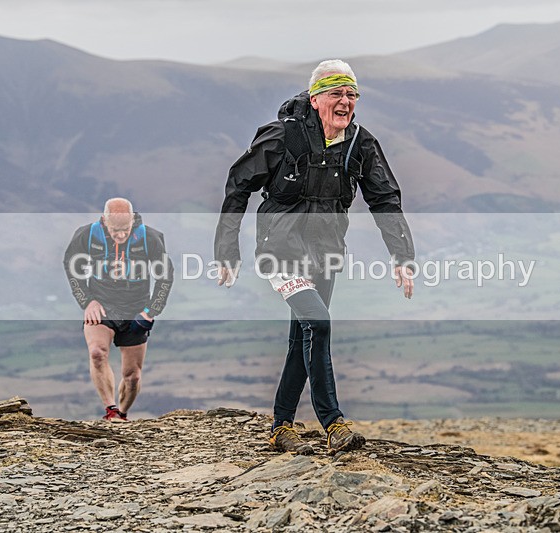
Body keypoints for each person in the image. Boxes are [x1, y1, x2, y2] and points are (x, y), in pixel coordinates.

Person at [214, 60, 415, 454]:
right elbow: (238, 186)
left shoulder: (361, 144)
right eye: (337, 93)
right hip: (280, 251)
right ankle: (333, 422)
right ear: (315, 98)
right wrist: (226, 249)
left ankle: (280, 428)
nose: (345, 102)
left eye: (352, 95)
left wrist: (402, 255)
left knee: (302, 337)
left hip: (326, 252)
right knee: (319, 323)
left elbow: (386, 199)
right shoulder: (281, 137)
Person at [64, 198, 173, 421]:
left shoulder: (150, 238)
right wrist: (87, 301)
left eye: (125, 229)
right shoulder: (87, 235)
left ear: (133, 220)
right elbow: (70, 265)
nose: (121, 235)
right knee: (97, 353)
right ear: (105, 221)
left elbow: (165, 276)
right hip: (102, 305)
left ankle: (122, 414)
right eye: (115, 230)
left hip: (136, 309)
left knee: (132, 377)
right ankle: (110, 410)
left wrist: (151, 310)